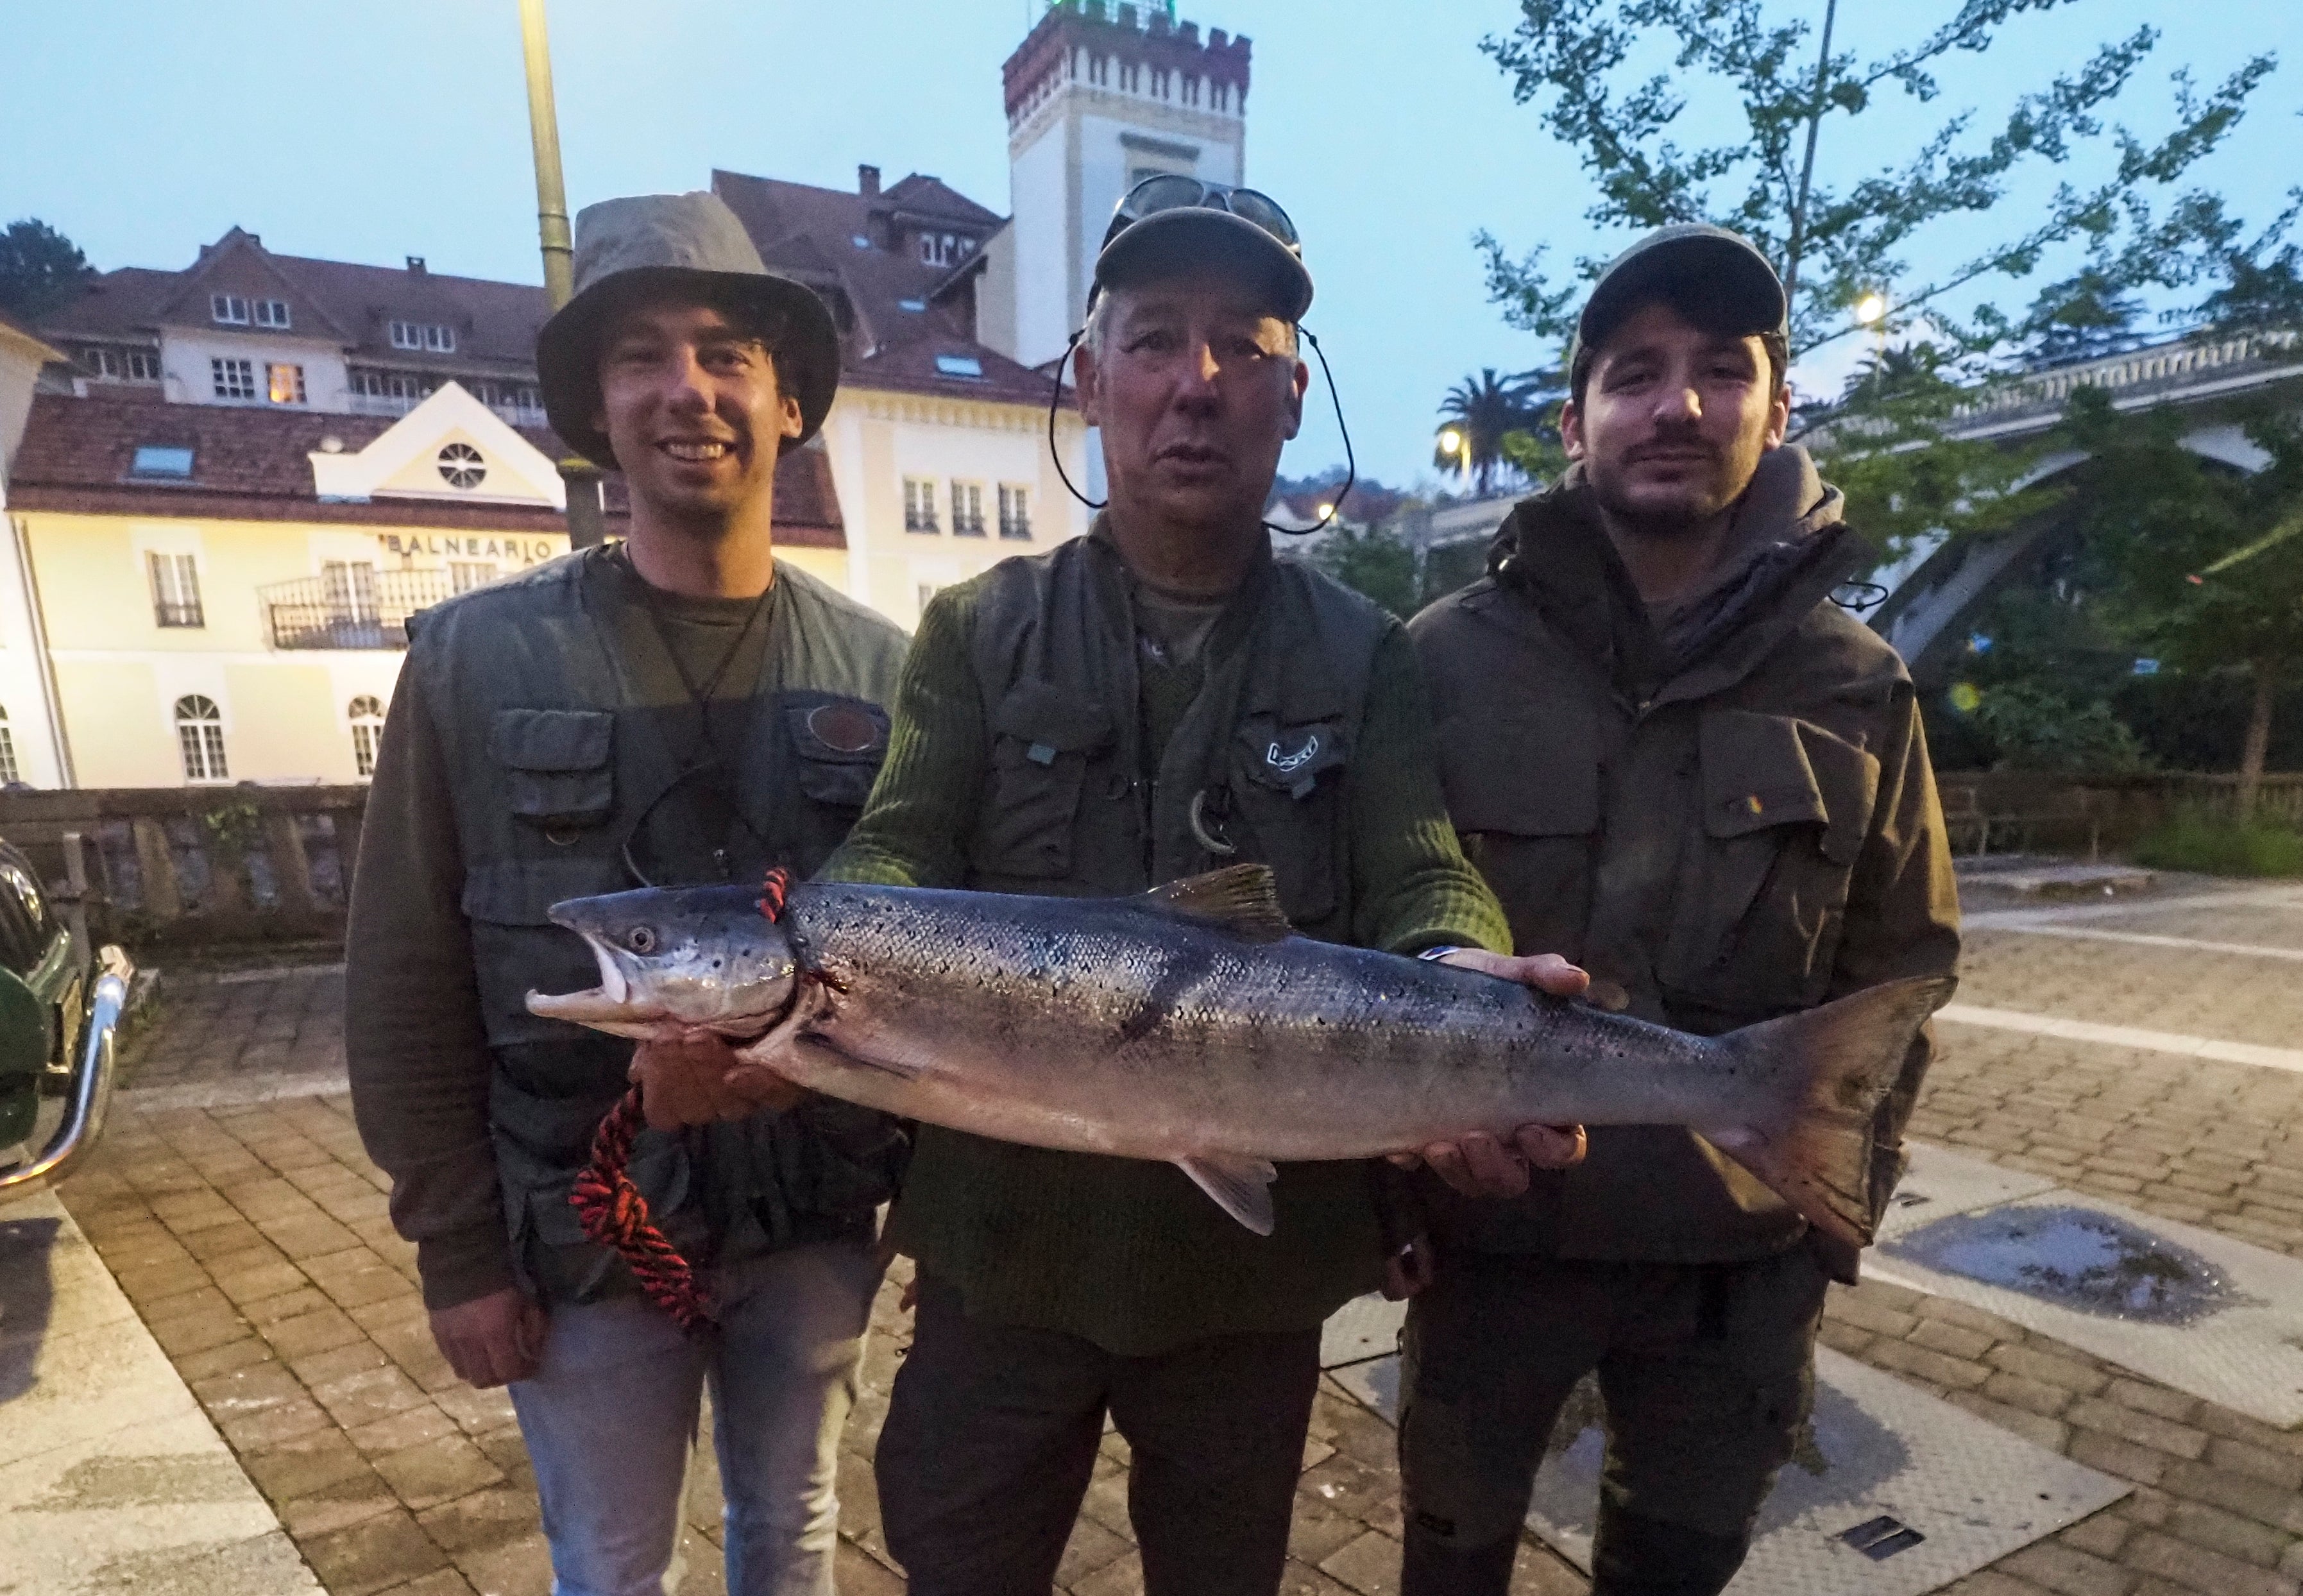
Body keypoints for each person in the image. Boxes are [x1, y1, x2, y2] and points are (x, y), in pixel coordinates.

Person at [649, 176, 1578, 1596]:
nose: (1194, 385)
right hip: (998, 1256)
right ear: (1088, 379)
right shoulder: (979, 628)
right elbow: (895, 846)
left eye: (1243, 345)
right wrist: (815, 981)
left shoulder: (1362, 651)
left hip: (1244, 1285)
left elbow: (1416, 865)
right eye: (1153, 339)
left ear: (1291, 393)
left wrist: (1461, 960)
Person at [344, 191, 910, 1596]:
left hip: (812, 1225)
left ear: (787, 401)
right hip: (576, 1233)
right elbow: (403, 978)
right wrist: (455, 1251)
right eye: (642, 356)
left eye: (726, 353)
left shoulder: (889, 676)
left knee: (791, 1535)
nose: (689, 392)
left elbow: (940, 969)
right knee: (608, 1564)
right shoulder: (474, 665)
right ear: (597, 406)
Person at [1396, 224, 1962, 1596]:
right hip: (1494, 1250)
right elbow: (1379, 926)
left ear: (1776, 408)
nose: (1680, 406)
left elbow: (1908, 970)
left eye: (1722, 369)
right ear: (1576, 412)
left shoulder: (1858, 684)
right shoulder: (1438, 661)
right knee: (1446, 1569)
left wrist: (1842, 1200)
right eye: (1636, 372)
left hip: (1734, 1273)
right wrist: (1385, 1182)